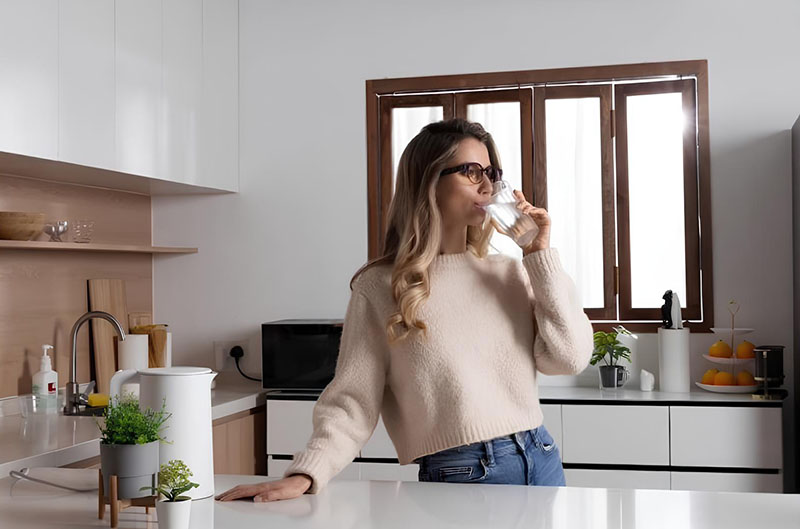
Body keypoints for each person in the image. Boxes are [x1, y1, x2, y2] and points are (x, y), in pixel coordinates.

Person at [216, 118, 593, 503]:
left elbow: (569, 358)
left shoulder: (510, 272)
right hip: (462, 470)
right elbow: (353, 400)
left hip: (541, 455)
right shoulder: (380, 287)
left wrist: (538, 254)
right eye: (471, 171)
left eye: (491, 173)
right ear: (429, 181)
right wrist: (306, 473)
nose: (487, 185)